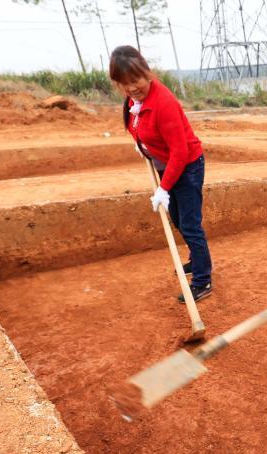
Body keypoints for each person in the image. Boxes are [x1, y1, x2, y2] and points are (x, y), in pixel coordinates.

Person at [111, 45, 213, 302]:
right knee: (179, 220)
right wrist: (143, 145)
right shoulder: (134, 102)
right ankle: (196, 259)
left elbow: (179, 151)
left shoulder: (163, 102)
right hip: (165, 165)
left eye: (136, 80)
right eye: (124, 84)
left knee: (190, 225)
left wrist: (164, 188)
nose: (132, 88)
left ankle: (203, 281)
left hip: (186, 166)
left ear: (147, 73)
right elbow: (139, 126)